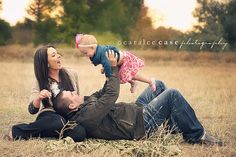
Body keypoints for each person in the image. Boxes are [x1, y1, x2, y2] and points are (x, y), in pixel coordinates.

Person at [53, 51, 223, 146]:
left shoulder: (86, 103)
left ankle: (173, 128)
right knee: (173, 95)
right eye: (71, 95)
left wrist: (110, 68)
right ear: (72, 106)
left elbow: (104, 90)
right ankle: (197, 136)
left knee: (159, 85)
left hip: (133, 112)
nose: (75, 92)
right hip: (139, 125)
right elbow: (111, 95)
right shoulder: (87, 115)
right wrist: (112, 69)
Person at [5, 45, 86, 142]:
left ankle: (50, 131)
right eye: (53, 55)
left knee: (80, 133)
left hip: (68, 115)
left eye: (57, 53)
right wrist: (39, 98)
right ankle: (17, 131)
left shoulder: (71, 73)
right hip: (50, 115)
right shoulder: (40, 81)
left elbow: (78, 97)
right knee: (58, 122)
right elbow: (32, 110)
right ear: (46, 63)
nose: (59, 56)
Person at [75, 33, 156, 93]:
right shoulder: (98, 52)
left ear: (92, 47)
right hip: (119, 62)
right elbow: (106, 63)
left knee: (127, 75)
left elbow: (107, 63)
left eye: (85, 53)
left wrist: (108, 76)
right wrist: (104, 68)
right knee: (126, 75)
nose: (85, 55)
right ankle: (134, 82)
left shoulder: (102, 53)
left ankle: (149, 81)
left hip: (125, 60)